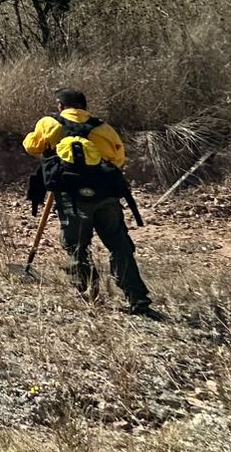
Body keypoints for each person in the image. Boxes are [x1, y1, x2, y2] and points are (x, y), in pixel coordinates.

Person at [23, 88, 159, 318]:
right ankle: (138, 299)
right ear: (85, 107)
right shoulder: (104, 128)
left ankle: (89, 295)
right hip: (106, 195)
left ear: (60, 105)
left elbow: (30, 146)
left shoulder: (49, 123)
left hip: (72, 197)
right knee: (119, 245)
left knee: (76, 245)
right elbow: (118, 158)